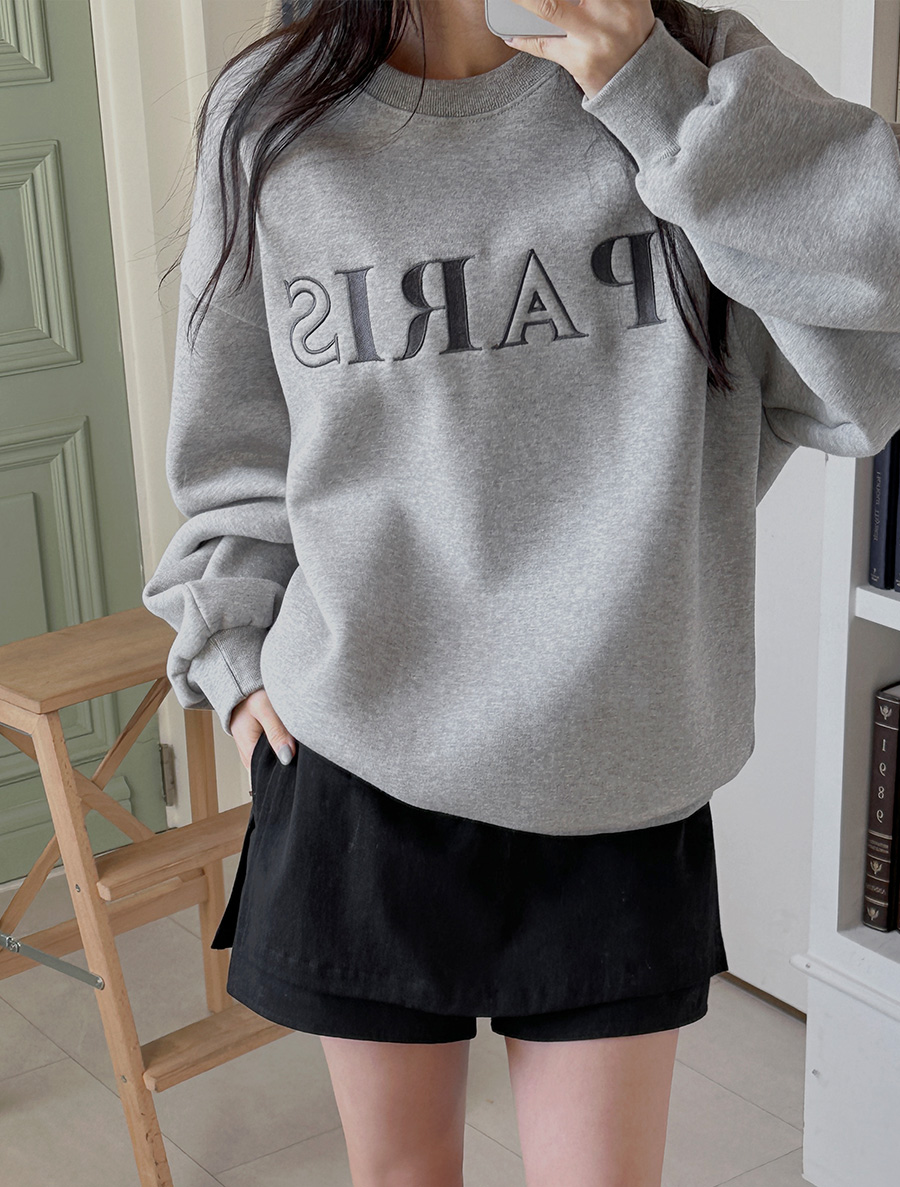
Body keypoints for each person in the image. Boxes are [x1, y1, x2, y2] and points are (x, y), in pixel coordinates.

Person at [141, 0, 900, 1182]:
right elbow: (239, 440)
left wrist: (649, 92)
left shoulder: (697, 71)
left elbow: (872, 340)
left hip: (620, 764)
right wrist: (232, 652)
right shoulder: (275, 114)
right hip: (362, 758)